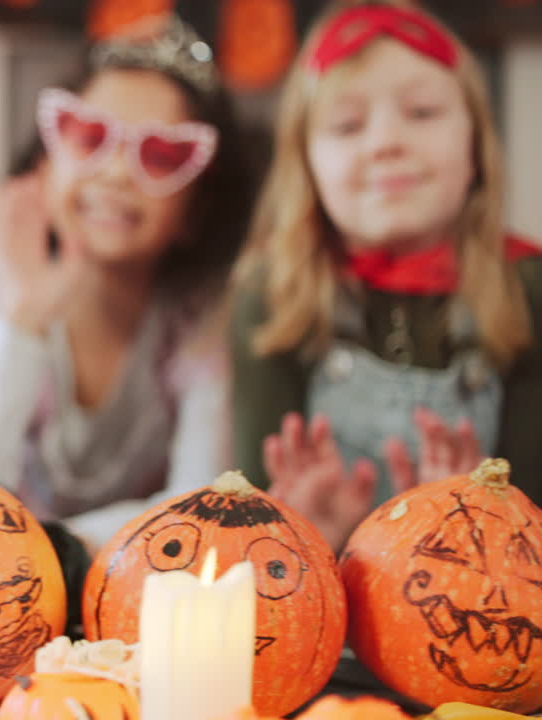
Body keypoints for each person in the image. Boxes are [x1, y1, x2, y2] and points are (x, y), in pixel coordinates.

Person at [0, 15, 255, 551]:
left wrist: (47, 545)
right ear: (43, 164)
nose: (118, 172)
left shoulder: (206, 329)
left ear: (198, 208)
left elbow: (204, 505)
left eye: (161, 154)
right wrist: (23, 320)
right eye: (89, 138)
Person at [230, 0, 542, 551]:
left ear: (476, 144)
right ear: (306, 163)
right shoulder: (270, 298)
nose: (384, 143)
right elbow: (252, 534)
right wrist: (308, 535)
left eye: (422, 113)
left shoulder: (529, 288)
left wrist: (476, 527)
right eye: (348, 125)